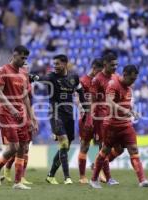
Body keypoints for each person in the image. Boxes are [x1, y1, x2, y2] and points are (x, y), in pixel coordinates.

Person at [89, 64, 148, 189]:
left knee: (133, 150)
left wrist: (132, 111)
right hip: (111, 125)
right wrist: (123, 110)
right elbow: (109, 102)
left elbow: (126, 105)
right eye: (131, 79)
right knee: (105, 151)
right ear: (124, 75)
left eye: (135, 80)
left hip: (126, 125)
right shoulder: (113, 84)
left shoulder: (128, 88)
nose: (133, 82)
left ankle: (142, 180)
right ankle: (93, 179)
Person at [32, 54, 87, 185]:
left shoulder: (73, 77)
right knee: (64, 142)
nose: (55, 66)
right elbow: (41, 78)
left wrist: (85, 107)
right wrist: (31, 77)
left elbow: (80, 91)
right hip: (55, 113)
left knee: (66, 146)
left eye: (57, 64)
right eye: (54, 64)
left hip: (69, 115)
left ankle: (51, 175)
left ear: (65, 64)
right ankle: (67, 177)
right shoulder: (51, 77)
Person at [0, 45, 37, 190]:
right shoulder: (3, 70)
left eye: (26, 58)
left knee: (23, 147)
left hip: (21, 115)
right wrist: (11, 108)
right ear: (14, 55)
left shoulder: (24, 73)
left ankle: (17, 182)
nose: (24, 60)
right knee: (14, 147)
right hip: (7, 114)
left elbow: (25, 97)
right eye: (22, 57)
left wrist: (32, 118)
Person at [90, 53, 123, 184]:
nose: (115, 67)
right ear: (105, 65)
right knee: (104, 147)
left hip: (114, 117)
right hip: (101, 118)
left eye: (116, 65)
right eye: (112, 65)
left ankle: (97, 164)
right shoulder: (97, 79)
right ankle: (109, 178)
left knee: (120, 148)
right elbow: (92, 101)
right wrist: (91, 119)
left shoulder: (116, 77)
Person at [78, 58, 103, 184]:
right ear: (94, 68)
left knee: (101, 145)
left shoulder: (100, 81)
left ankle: (101, 173)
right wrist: (85, 111)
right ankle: (82, 176)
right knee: (85, 145)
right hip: (87, 117)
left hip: (99, 117)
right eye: (99, 71)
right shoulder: (83, 81)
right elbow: (78, 99)